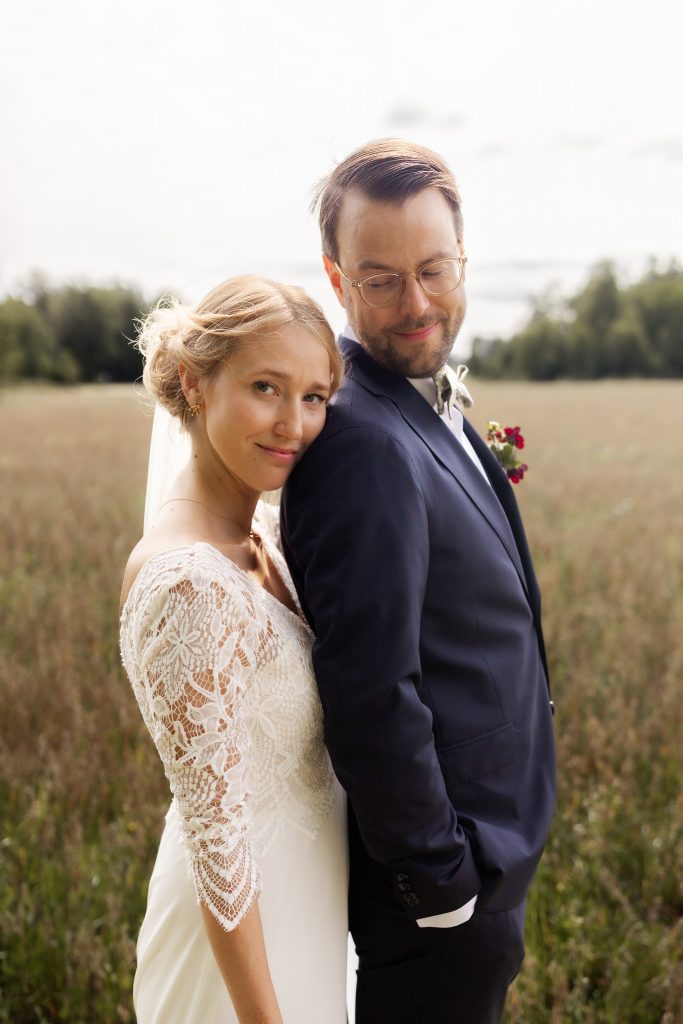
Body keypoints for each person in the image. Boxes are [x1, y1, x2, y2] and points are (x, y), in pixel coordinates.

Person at [281, 139, 557, 1024]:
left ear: (463, 255)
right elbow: (368, 689)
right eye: (380, 279)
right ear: (335, 277)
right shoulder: (358, 441)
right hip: (443, 901)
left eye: (434, 270)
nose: (416, 305)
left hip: (488, 858)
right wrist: (440, 882)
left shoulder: (423, 402)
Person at [119, 275, 348, 1024]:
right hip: (243, 954)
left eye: (314, 396)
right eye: (265, 387)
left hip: (311, 906)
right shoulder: (190, 584)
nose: (294, 423)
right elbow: (217, 843)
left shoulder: (270, 539)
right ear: (195, 382)